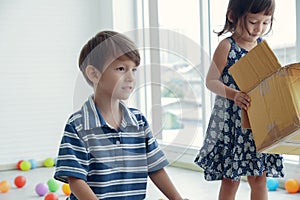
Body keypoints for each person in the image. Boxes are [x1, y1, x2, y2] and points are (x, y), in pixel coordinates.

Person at [54, 30, 184, 200]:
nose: (130, 77)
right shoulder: (78, 125)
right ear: (94, 74)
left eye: (134, 70)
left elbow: (156, 167)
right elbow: (76, 179)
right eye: (121, 69)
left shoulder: (138, 122)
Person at [194, 1, 284, 200]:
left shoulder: (262, 47)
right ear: (233, 16)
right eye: (253, 21)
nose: (258, 29)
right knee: (231, 179)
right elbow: (210, 81)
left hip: (255, 125)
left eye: (265, 23)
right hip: (230, 125)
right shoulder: (227, 46)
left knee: (259, 178)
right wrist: (234, 94)